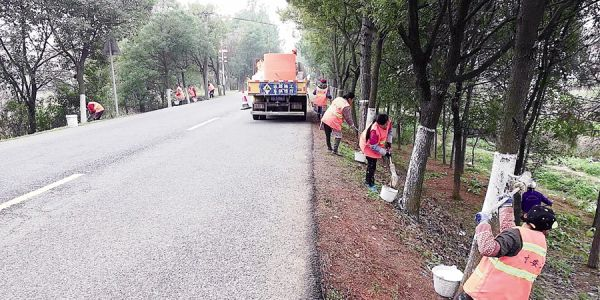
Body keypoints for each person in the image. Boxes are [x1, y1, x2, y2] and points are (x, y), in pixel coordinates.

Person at [459, 196, 557, 300]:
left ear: (527, 217)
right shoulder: (540, 245)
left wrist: (483, 224)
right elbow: (510, 235)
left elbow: (487, 248)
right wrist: (506, 207)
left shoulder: (516, 237)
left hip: (485, 294)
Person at [359, 114, 393, 192]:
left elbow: (390, 131)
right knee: (371, 165)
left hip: (376, 145)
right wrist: (385, 153)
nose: (386, 126)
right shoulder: (374, 131)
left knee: (373, 165)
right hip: (368, 146)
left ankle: (370, 181)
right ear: (379, 124)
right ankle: (369, 183)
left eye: (387, 124)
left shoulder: (388, 122)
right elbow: (373, 147)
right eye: (384, 125)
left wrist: (389, 142)